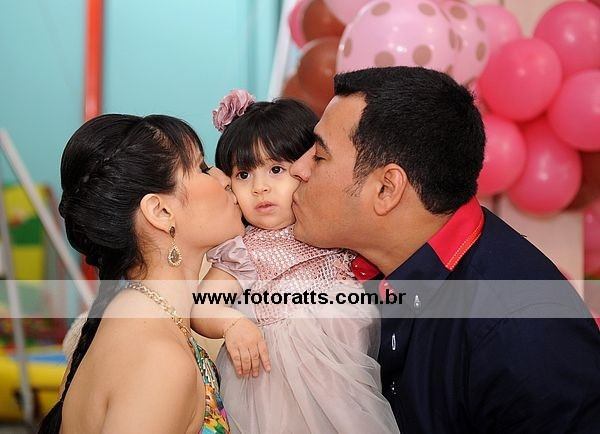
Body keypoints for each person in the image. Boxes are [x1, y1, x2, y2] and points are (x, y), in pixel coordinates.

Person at [289, 66, 600, 433]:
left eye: (319, 156)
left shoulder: (522, 333)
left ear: (387, 189)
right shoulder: (350, 268)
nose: (297, 168)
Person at [191, 91, 399, 433]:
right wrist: (233, 324)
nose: (260, 187)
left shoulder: (329, 229)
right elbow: (203, 307)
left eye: (276, 169)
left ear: (308, 167)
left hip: (346, 382)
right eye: (243, 175)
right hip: (281, 390)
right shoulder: (246, 250)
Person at [39, 114, 244, 433]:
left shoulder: (137, 319)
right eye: (202, 168)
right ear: (161, 212)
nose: (225, 178)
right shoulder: (158, 360)